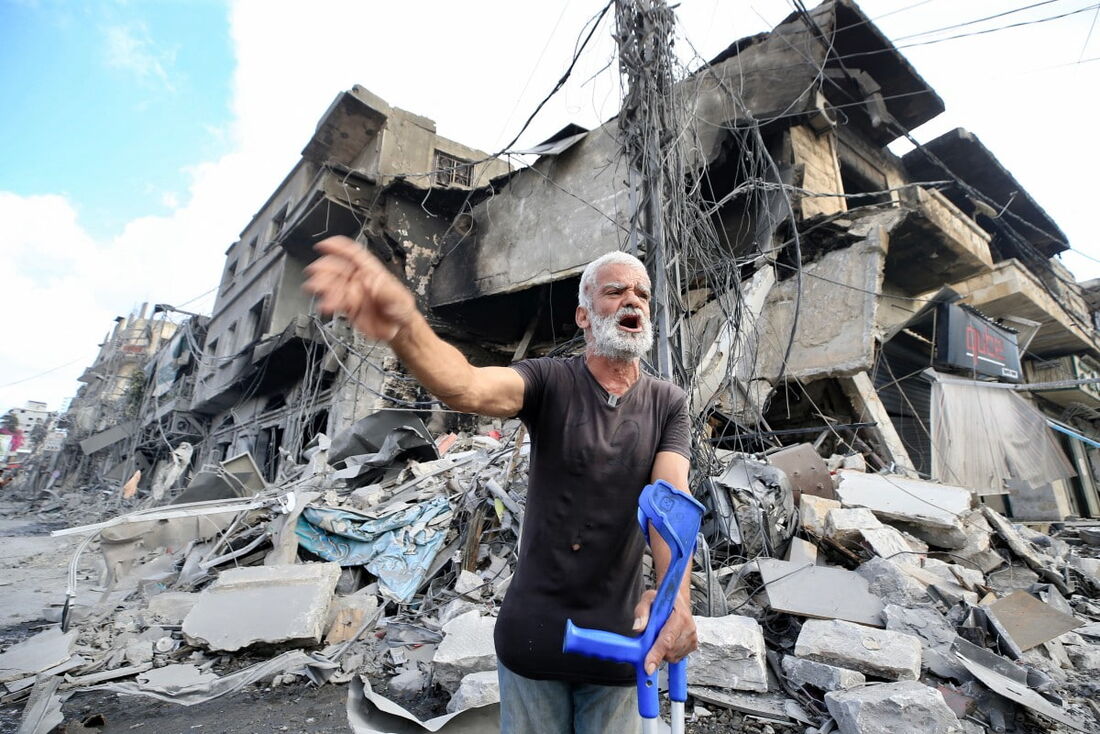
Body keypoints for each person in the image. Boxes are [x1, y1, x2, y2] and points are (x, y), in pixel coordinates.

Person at [304, 236, 696, 734]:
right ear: (583, 316)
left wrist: (673, 601)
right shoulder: (549, 380)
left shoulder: (668, 403)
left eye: (641, 294)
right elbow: (465, 385)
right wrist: (405, 325)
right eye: (615, 291)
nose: (633, 300)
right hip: (534, 635)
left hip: (622, 640)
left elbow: (670, 510)